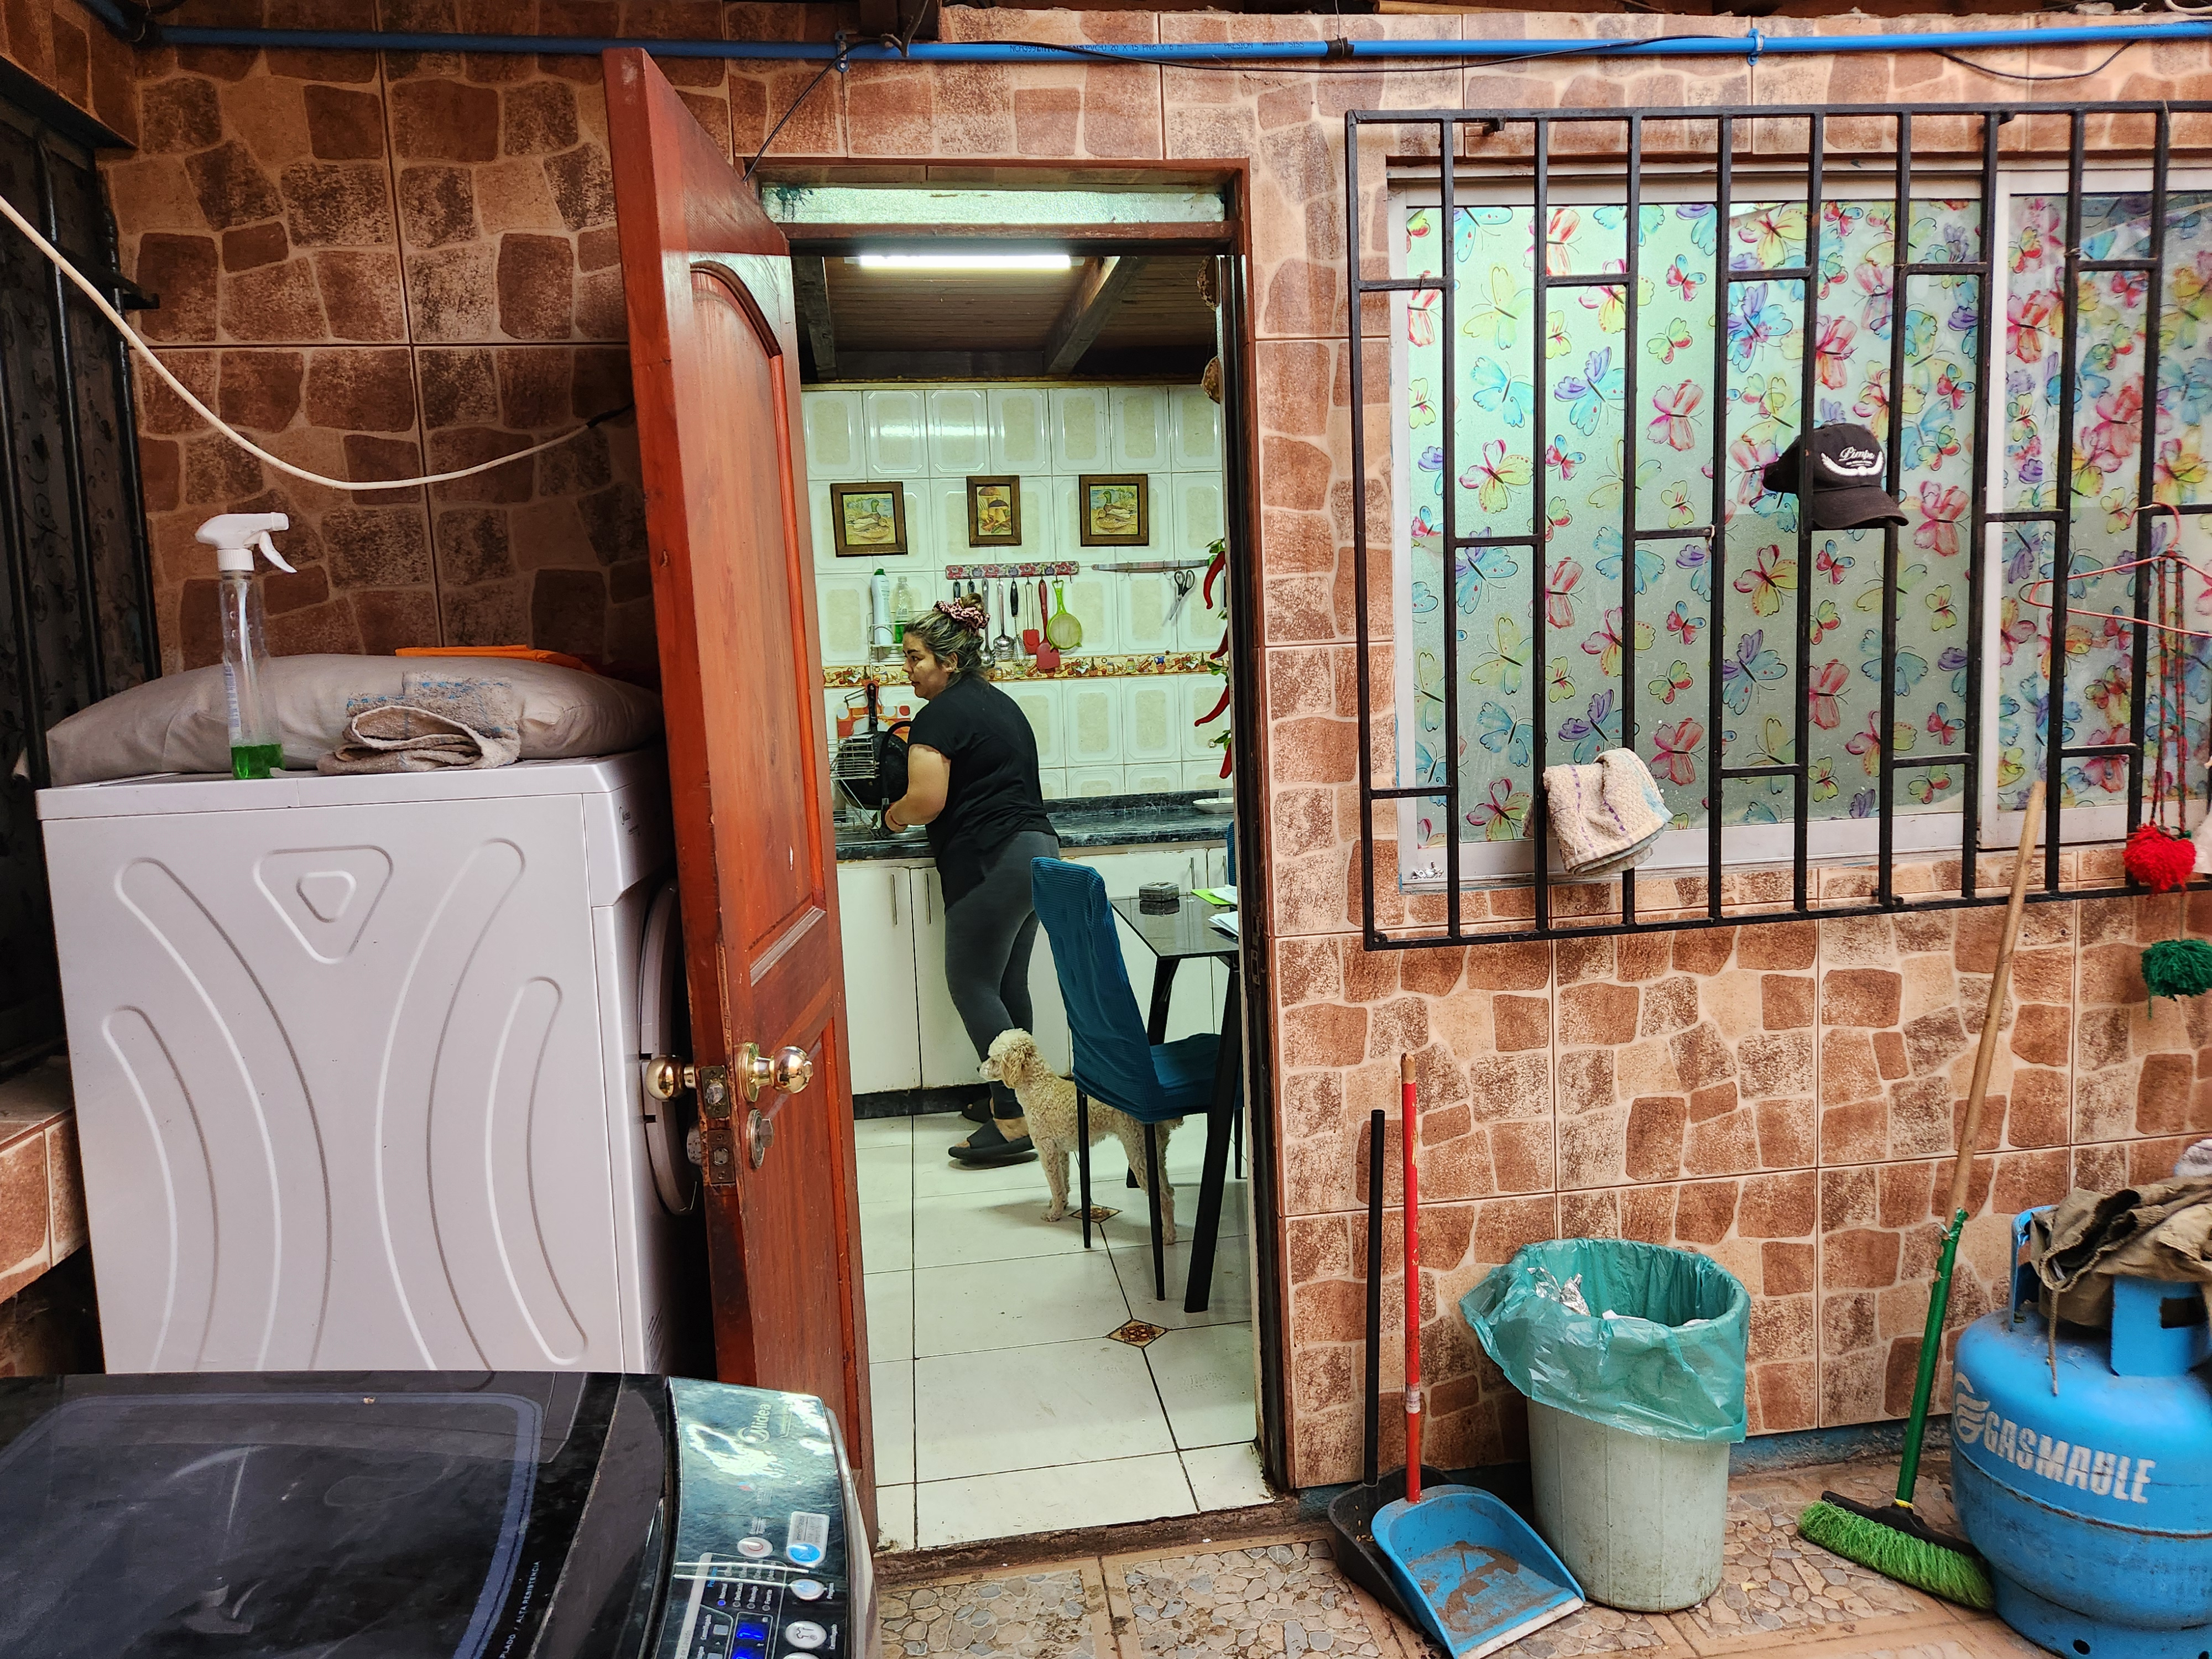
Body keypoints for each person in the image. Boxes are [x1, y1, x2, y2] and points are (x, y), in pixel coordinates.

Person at [883, 597, 1059, 1164]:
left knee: (972, 983)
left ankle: (1012, 1119)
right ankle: (1019, 1100)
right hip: (1037, 853)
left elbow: (926, 800)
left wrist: (892, 816)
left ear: (950, 661)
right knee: (1006, 985)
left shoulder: (939, 715)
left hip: (992, 858)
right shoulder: (997, 702)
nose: (907, 668)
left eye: (915, 658)